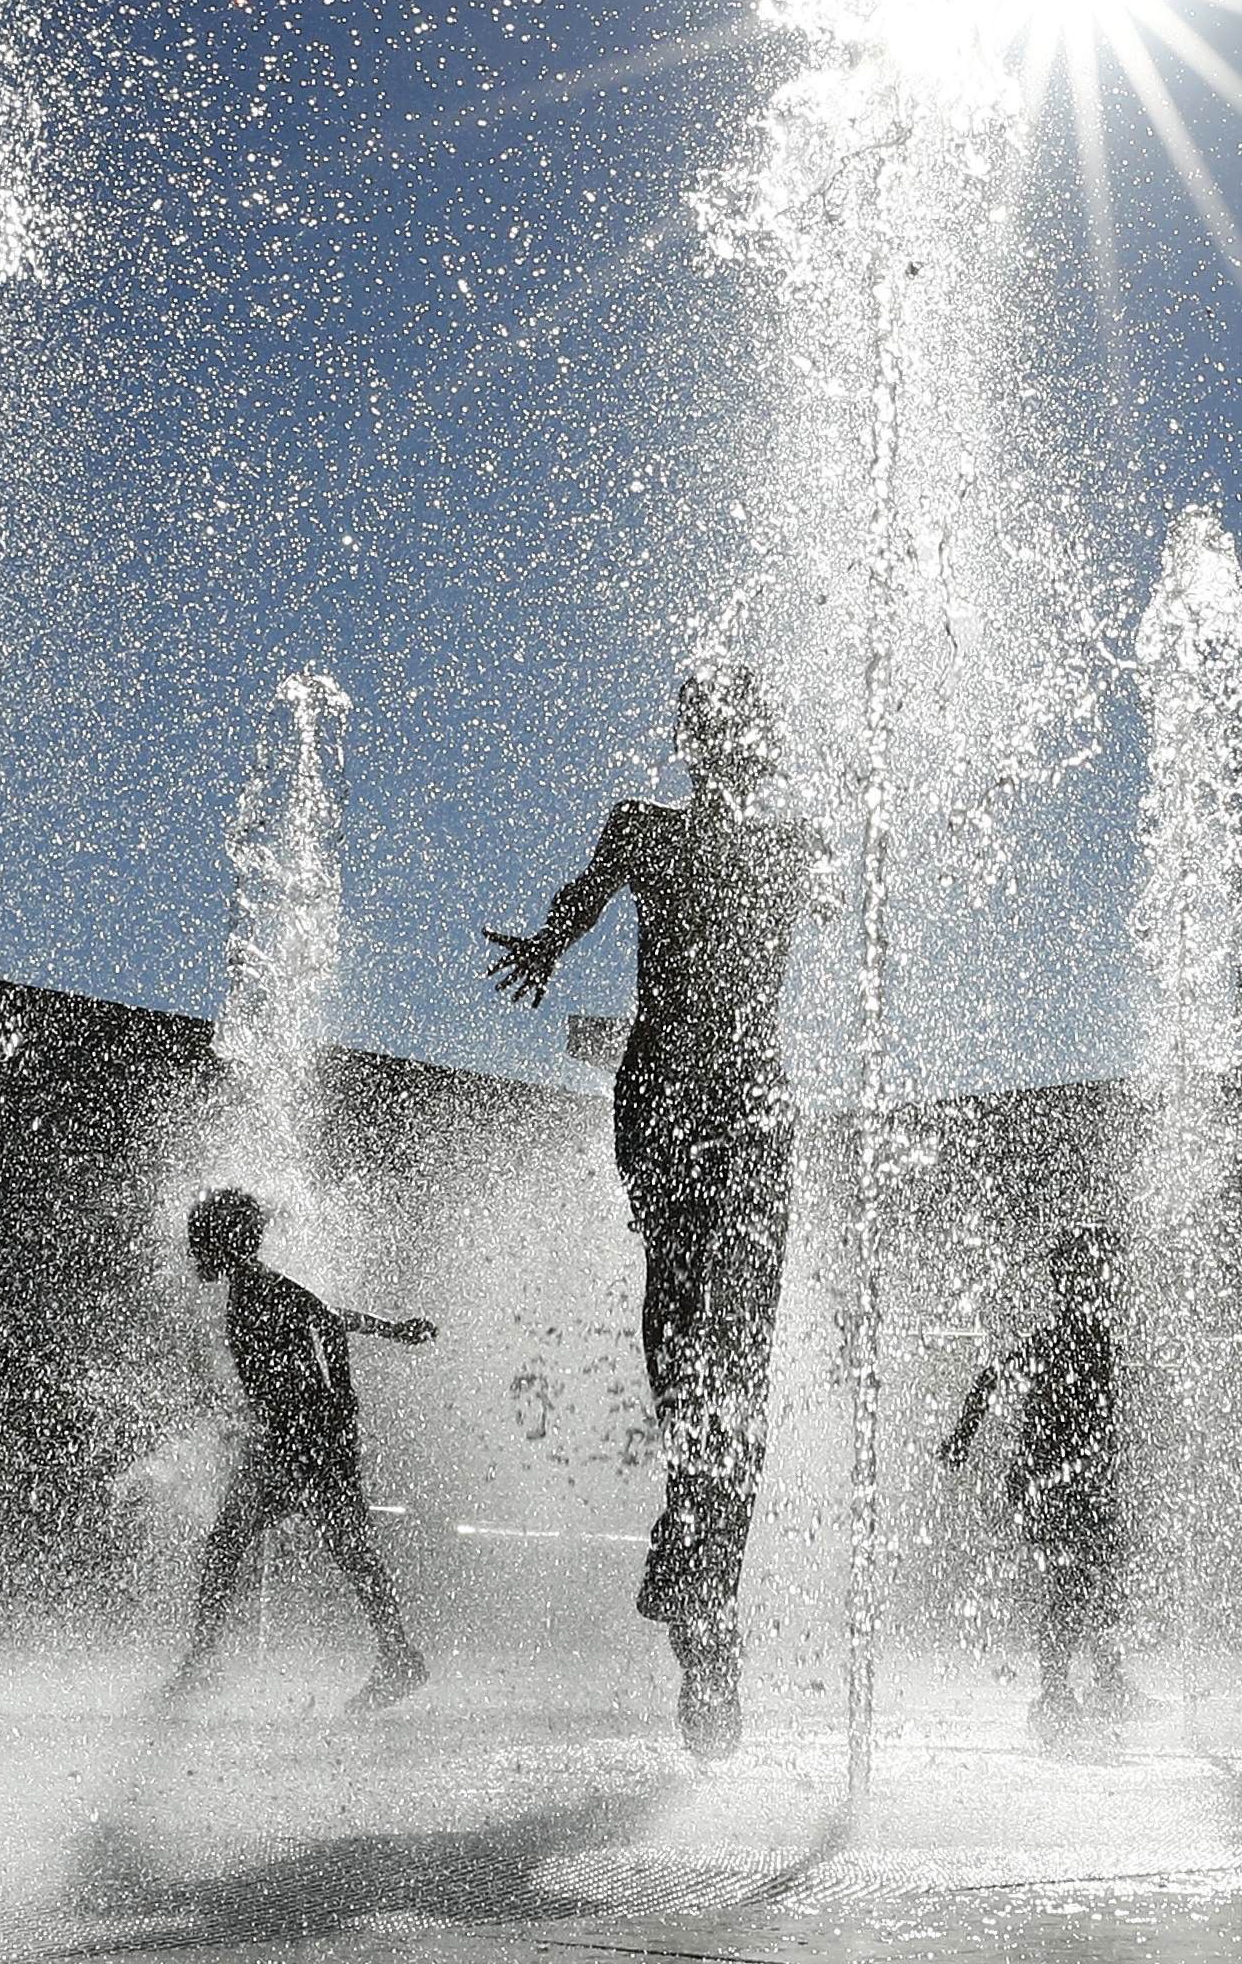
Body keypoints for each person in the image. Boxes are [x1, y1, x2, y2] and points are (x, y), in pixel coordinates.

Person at [485, 665, 815, 1760]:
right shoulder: (644, 825)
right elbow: (585, 890)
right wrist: (544, 944)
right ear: (695, 738)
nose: (731, 738)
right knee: (681, 1311)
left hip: (750, 1089)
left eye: (744, 721)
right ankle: (694, 1538)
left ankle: (705, 1566)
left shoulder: (785, 841)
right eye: (716, 723)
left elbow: (815, 919)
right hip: (670, 1080)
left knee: (743, 1342)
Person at [171, 1183, 434, 1715]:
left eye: (199, 1240)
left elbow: (328, 1325)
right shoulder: (254, 1287)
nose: (193, 1250)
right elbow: (328, 1318)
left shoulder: (255, 1289)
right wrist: (389, 1338)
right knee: (338, 1550)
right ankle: (396, 1655)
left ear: (221, 1242)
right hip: (300, 1438)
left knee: (241, 1547)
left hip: (303, 1440)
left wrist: (341, 1396)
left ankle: (201, 1668)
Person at [936, 1223, 1130, 1745]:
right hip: (1049, 1486)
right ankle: (1057, 1694)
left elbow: (991, 1383)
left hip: (1072, 1484)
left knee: (1099, 1581)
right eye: (1096, 1279)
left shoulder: (1088, 1340)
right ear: (1074, 1286)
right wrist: (961, 1437)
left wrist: (963, 1437)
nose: (1106, 1289)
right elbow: (990, 1381)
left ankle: (1103, 1685)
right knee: (1074, 1587)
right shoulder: (1067, 1341)